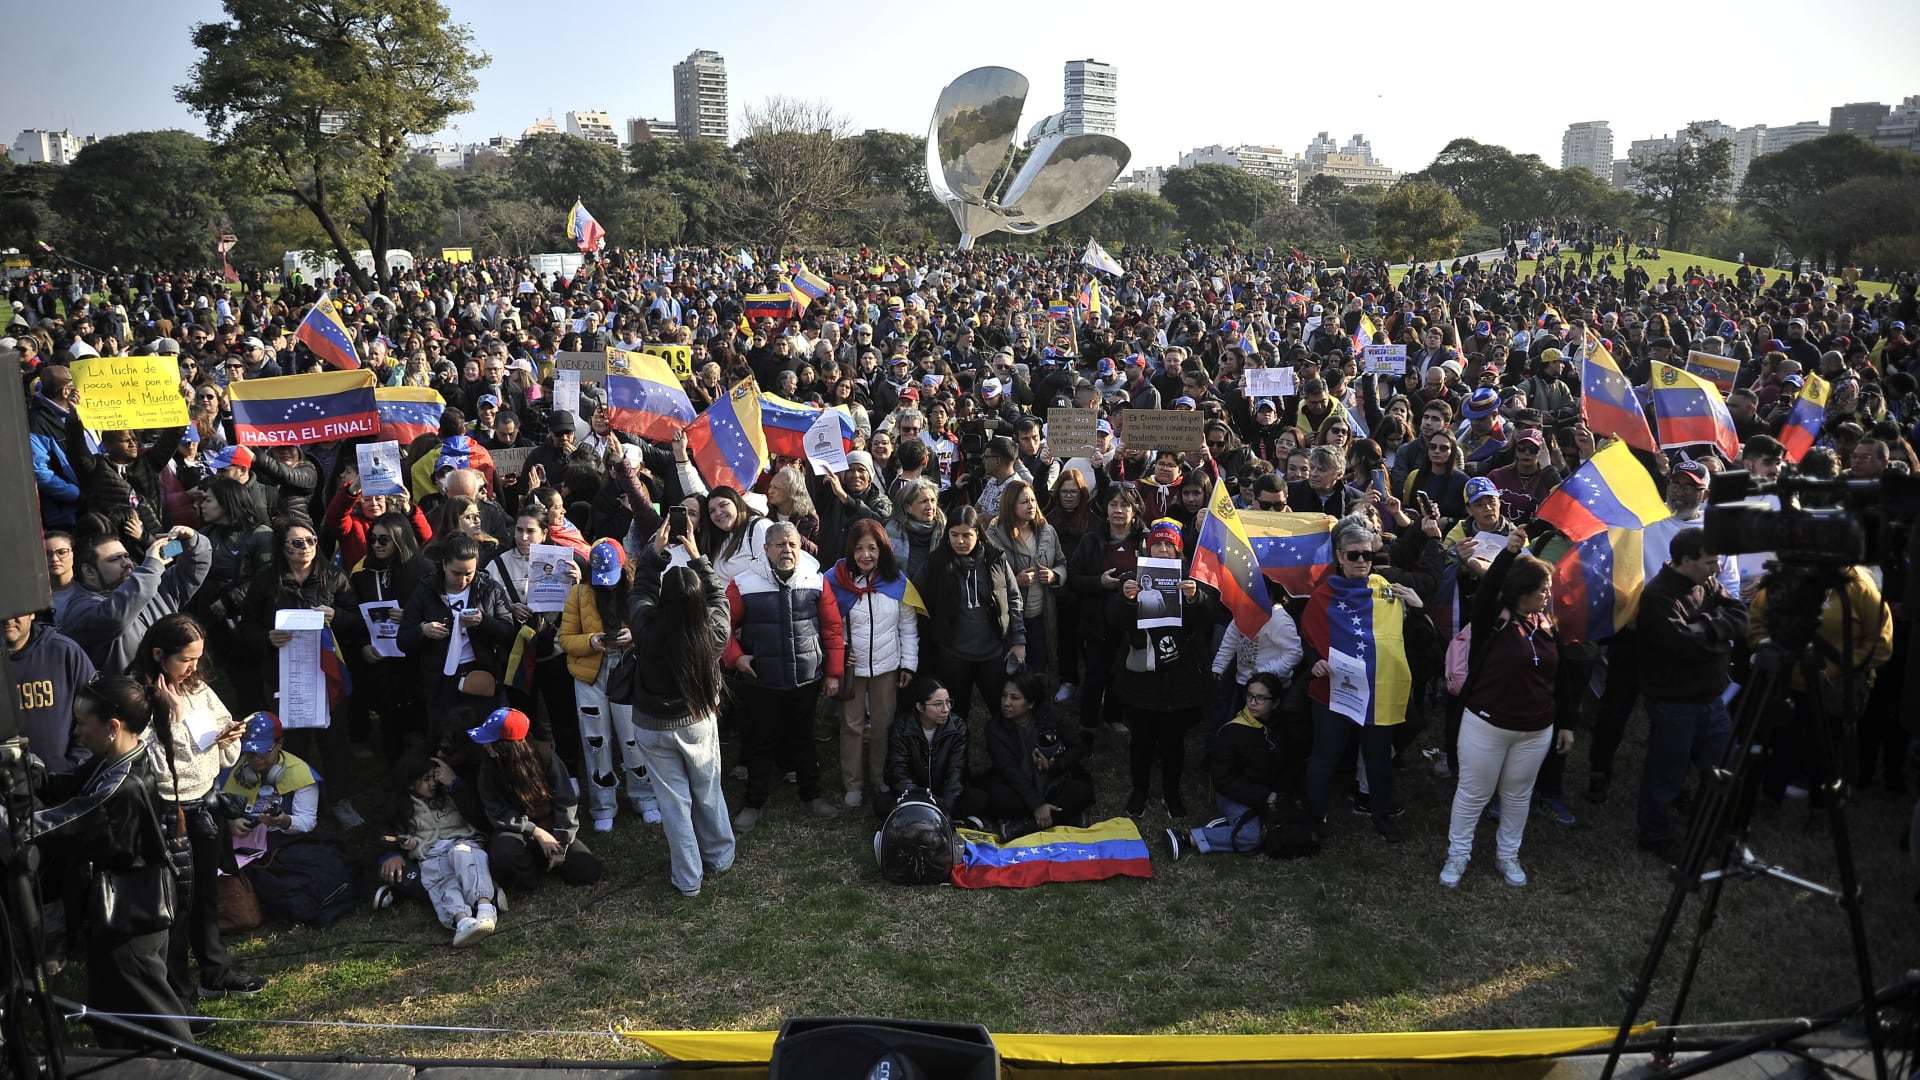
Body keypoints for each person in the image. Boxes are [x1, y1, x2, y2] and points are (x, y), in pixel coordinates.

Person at [33, 676, 194, 1048]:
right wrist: (27, 762)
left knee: (159, 1021)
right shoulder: (113, 760)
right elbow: (62, 787)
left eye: (81, 721)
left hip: (132, 916)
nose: (76, 730)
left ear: (113, 727)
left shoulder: (122, 783)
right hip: (114, 913)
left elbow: (59, 822)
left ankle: (188, 1071)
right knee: (112, 1013)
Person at [127, 614, 262, 1003]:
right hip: (170, 810)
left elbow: (220, 737)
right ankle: (179, 992)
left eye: (198, 659)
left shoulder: (198, 686)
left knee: (206, 892)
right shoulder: (139, 695)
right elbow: (150, 760)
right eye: (186, 659)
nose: (193, 668)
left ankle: (215, 974)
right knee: (177, 905)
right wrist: (172, 719)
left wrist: (228, 736)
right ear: (158, 655)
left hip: (206, 802)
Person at [1440, 532, 1567, 888]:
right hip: (1486, 725)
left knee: (1518, 793)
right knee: (1474, 792)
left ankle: (1507, 855)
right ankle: (1458, 855)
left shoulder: (1548, 625)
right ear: (1523, 590)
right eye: (1543, 589)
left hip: (1535, 730)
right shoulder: (1493, 620)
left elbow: (1563, 679)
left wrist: (1566, 723)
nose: (1548, 595)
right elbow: (1487, 589)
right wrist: (1510, 552)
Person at [626, 519, 735, 897]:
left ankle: (689, 880)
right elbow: (719, 598)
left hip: (652, 726)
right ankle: (719, 857)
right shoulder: (713, 632)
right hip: (697, 720)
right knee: (707, 789)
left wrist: (655, 554)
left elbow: (639, 591)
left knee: (673, 803)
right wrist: (697, 556)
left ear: (664, 601)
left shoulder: (645, 627)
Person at [236, 515, 365, 829]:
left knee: (334, 741)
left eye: (311, 541)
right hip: (282, 676)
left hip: (325, 676)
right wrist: (267, 637)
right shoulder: (266, 580)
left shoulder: (333, 576)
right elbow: (245, 628)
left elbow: (359, 621)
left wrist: (337, 616)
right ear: (282, 548)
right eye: (297, 543)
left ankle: (339, 800)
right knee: (291, 742)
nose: (306, 547)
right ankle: (294, 801)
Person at [1300, 515, 1422, 843]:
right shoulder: (1322, 596)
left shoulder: (1386, 589)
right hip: (1333, 691)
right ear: (1339, 556)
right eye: (1353, 555)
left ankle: (1380, 814)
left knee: (1379, 758)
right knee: (1325, 755)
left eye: (1367, 555)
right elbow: (1309, 638)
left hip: (1378, 691)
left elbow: (1406, 637)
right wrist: (1316, 662)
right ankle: (1315, 816)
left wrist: (1416, 608)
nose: (1361, 561)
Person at [723, 521, 846, 832]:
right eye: (779, 544)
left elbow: (832, 630)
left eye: (792, 544)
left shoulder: (816, 580)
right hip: (762, 682)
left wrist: (833, 673)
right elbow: (721, 627)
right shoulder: (743, 583)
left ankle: (812, 796)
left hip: (806, 680)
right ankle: (753, 803)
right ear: (766, 549)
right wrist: (735, 658)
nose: (787, 550)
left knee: (804, 740)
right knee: (761, 743)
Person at [1634, 527, 1748, 862]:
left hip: (1713, 701)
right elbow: (1681, 645)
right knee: (1666, 774)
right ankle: (1655, 836)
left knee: (1723, 768)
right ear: (1686, 561)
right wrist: (1719, 634)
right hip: (1674, 704)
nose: (1716, 569)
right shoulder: (1658, 596)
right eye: (1710, 562)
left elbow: (1740, 615)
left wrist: (1706, 629)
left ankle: (1707, 828)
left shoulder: (1706, 582)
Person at [1110, 518, 1221, 817]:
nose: (1162, 550)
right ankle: (1139, 791)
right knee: (1141, 741)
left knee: (1173, 742)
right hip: (1141, 678)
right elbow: (1113, 619)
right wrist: (1126, 599)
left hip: (1180, 678)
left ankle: (1172, 793)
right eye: (1157, 544)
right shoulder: (1133, 577)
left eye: (1169, 546)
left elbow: (1211, 615)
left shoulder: (1192, 579)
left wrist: (1195, 599)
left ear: (1179, 552)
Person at [558, 538, 659, 831]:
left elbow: (654, 627)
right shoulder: (578, 594)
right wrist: (590, 641)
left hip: (629, 670)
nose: (608, 585)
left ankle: (646, 798)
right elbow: (565, 639)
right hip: (591, 674)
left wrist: (634, 636)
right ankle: (603, 805)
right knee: (595, 740)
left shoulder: (638, 590)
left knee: (633, 737)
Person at [829, 519, 921, 808]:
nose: (865, 555)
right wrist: (842, 652)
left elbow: (908, 626)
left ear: (883, 549)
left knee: (883, 724)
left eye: (872, 548)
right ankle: (853, 783)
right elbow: (832, 625)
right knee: (852, 725)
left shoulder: (897, 583)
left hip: (887, 666)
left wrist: (908, 664)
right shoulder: (836, 580)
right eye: (859, 548)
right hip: (852, 669)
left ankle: (880, 779)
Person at [377, 744, 500, 947]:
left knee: (465, 856)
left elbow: (476, 815)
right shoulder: (403, 806)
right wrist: (407, 843)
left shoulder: (450, 793)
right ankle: (462, 922)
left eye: (433, 777)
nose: (432, 784)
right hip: (431, 852)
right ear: (410, 784)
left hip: (461, 840)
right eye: (425, 780)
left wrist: (452, 782)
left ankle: (486, 908)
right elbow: (404, 834)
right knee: (440, 878)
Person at [914, 505, 1026, 722]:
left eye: (967, 535)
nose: (960, 541)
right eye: (954, 535)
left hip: (993, 652)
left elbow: (1013, 598)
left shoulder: (995, 558)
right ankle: (956, 753)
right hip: (952, 654)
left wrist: (1018, 640)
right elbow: (916, 602)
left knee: (1002, 712)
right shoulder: (935, 563)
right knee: (956, 715)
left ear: (978, 534)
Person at [471, 706, 602, 890]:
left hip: (551, 824)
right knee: (503, 858)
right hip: (515, 829)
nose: (485, 745)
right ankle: (535, 871)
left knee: (587, 870)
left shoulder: (545, 756)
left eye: (489, 741)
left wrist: (561, 842)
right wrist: (535, 832)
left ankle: (551, 858)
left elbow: (565, 801)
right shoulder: (489, 766)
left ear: (506, 744)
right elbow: (496, 809)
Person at [1166, 671, 1291, 858]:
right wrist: (1264, 796)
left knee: (1289, 828)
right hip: (1235, 795)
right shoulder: (1232, 732)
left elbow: (1289, 765)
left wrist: (1278, 792)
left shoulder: (1283, 728)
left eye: (1260, 698)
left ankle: (1229, 825)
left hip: (1271, 794)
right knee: (1251, 838)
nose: (1253, 703)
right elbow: (1223, 780)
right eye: (1249, 696)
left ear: (1276, 702)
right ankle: (1188, 838)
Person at [60, 524, 211, 675]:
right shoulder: (79, 609)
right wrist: (151, 567)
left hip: (176, 688)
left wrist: (189, 541)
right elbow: (115, 617)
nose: (127, 563)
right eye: (115, 559)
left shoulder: (153, 583)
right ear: (89, 571)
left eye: (126, 556)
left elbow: (196, 566)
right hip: (129, 696)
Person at [398, 533, 518, 722]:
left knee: (480, 735)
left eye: (469, 574)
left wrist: (484, 622)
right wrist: (423, 630)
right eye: (456, 573)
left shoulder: (490, 589)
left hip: (480, 673)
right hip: (439, 678)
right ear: (444, 565)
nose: (462, 580)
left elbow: (510, 634)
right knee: (444, 738)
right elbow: (403, 640)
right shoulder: (425, 591)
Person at [1067, 484, 1146, 736]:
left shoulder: (1146, 541)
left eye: (1125, 505)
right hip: (1097, 621)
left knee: (1121, 673)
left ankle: (1114, 716)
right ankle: (1087, 725)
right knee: (1095, 674)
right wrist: (1098, 582)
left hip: (1132, 622)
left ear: (1135, 510)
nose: (1118, 510)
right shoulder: (1091, 540)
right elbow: (1073, 577)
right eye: (1113, 504)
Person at [980, 671, 1093, 836]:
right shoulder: (995, 728)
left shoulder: (1050, 716)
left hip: (1053, 784)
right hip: (1019, 789)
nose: (1006, 703)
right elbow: (1009, 770)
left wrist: (1056, 764)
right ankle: (1063, 817)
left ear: (1030, 703)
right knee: (998, 799)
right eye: (1004, 696)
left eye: (1014, 698)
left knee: (1081, 791)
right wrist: (1037, 804)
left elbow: (1077, 746)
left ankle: (1028, 826)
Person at [989, 478, 1066, 684]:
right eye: (1024, 502)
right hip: (1011, 618)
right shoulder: (994, 537)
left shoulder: (1047, 531)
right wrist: (1015, 580)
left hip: (1041, 614)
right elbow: (989, 579)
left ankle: (1039, 706)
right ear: (1010, 505)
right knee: (1013, 673)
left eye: (1032, 500)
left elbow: (1061, 562)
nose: (1031, 505)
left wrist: (1055, 575)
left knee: (1039, 669)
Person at [882, 678, 986, 819]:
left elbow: (957, 770)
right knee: (882, 803)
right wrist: (925, 801)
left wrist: (945, 805)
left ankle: (931, 817)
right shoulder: (901, 727)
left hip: (944, 795)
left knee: (979, 798)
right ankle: (932, 817)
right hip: (915, 794)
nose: (946, 709)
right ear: (920, 707)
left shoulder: (958, 727)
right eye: (938, 704)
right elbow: (898, 771)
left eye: (948, 702)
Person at [5, 611, 93, 772]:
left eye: (16, 610)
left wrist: (72, 769)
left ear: (31, 612)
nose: (8, 618)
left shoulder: (66, 653)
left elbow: (97, 716)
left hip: (64, 787)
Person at [885, 477, 944, 578]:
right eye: (923, 501)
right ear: (908, 508)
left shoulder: (945, 531)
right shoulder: (891, 532)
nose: (930, 506)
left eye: (933, 500)